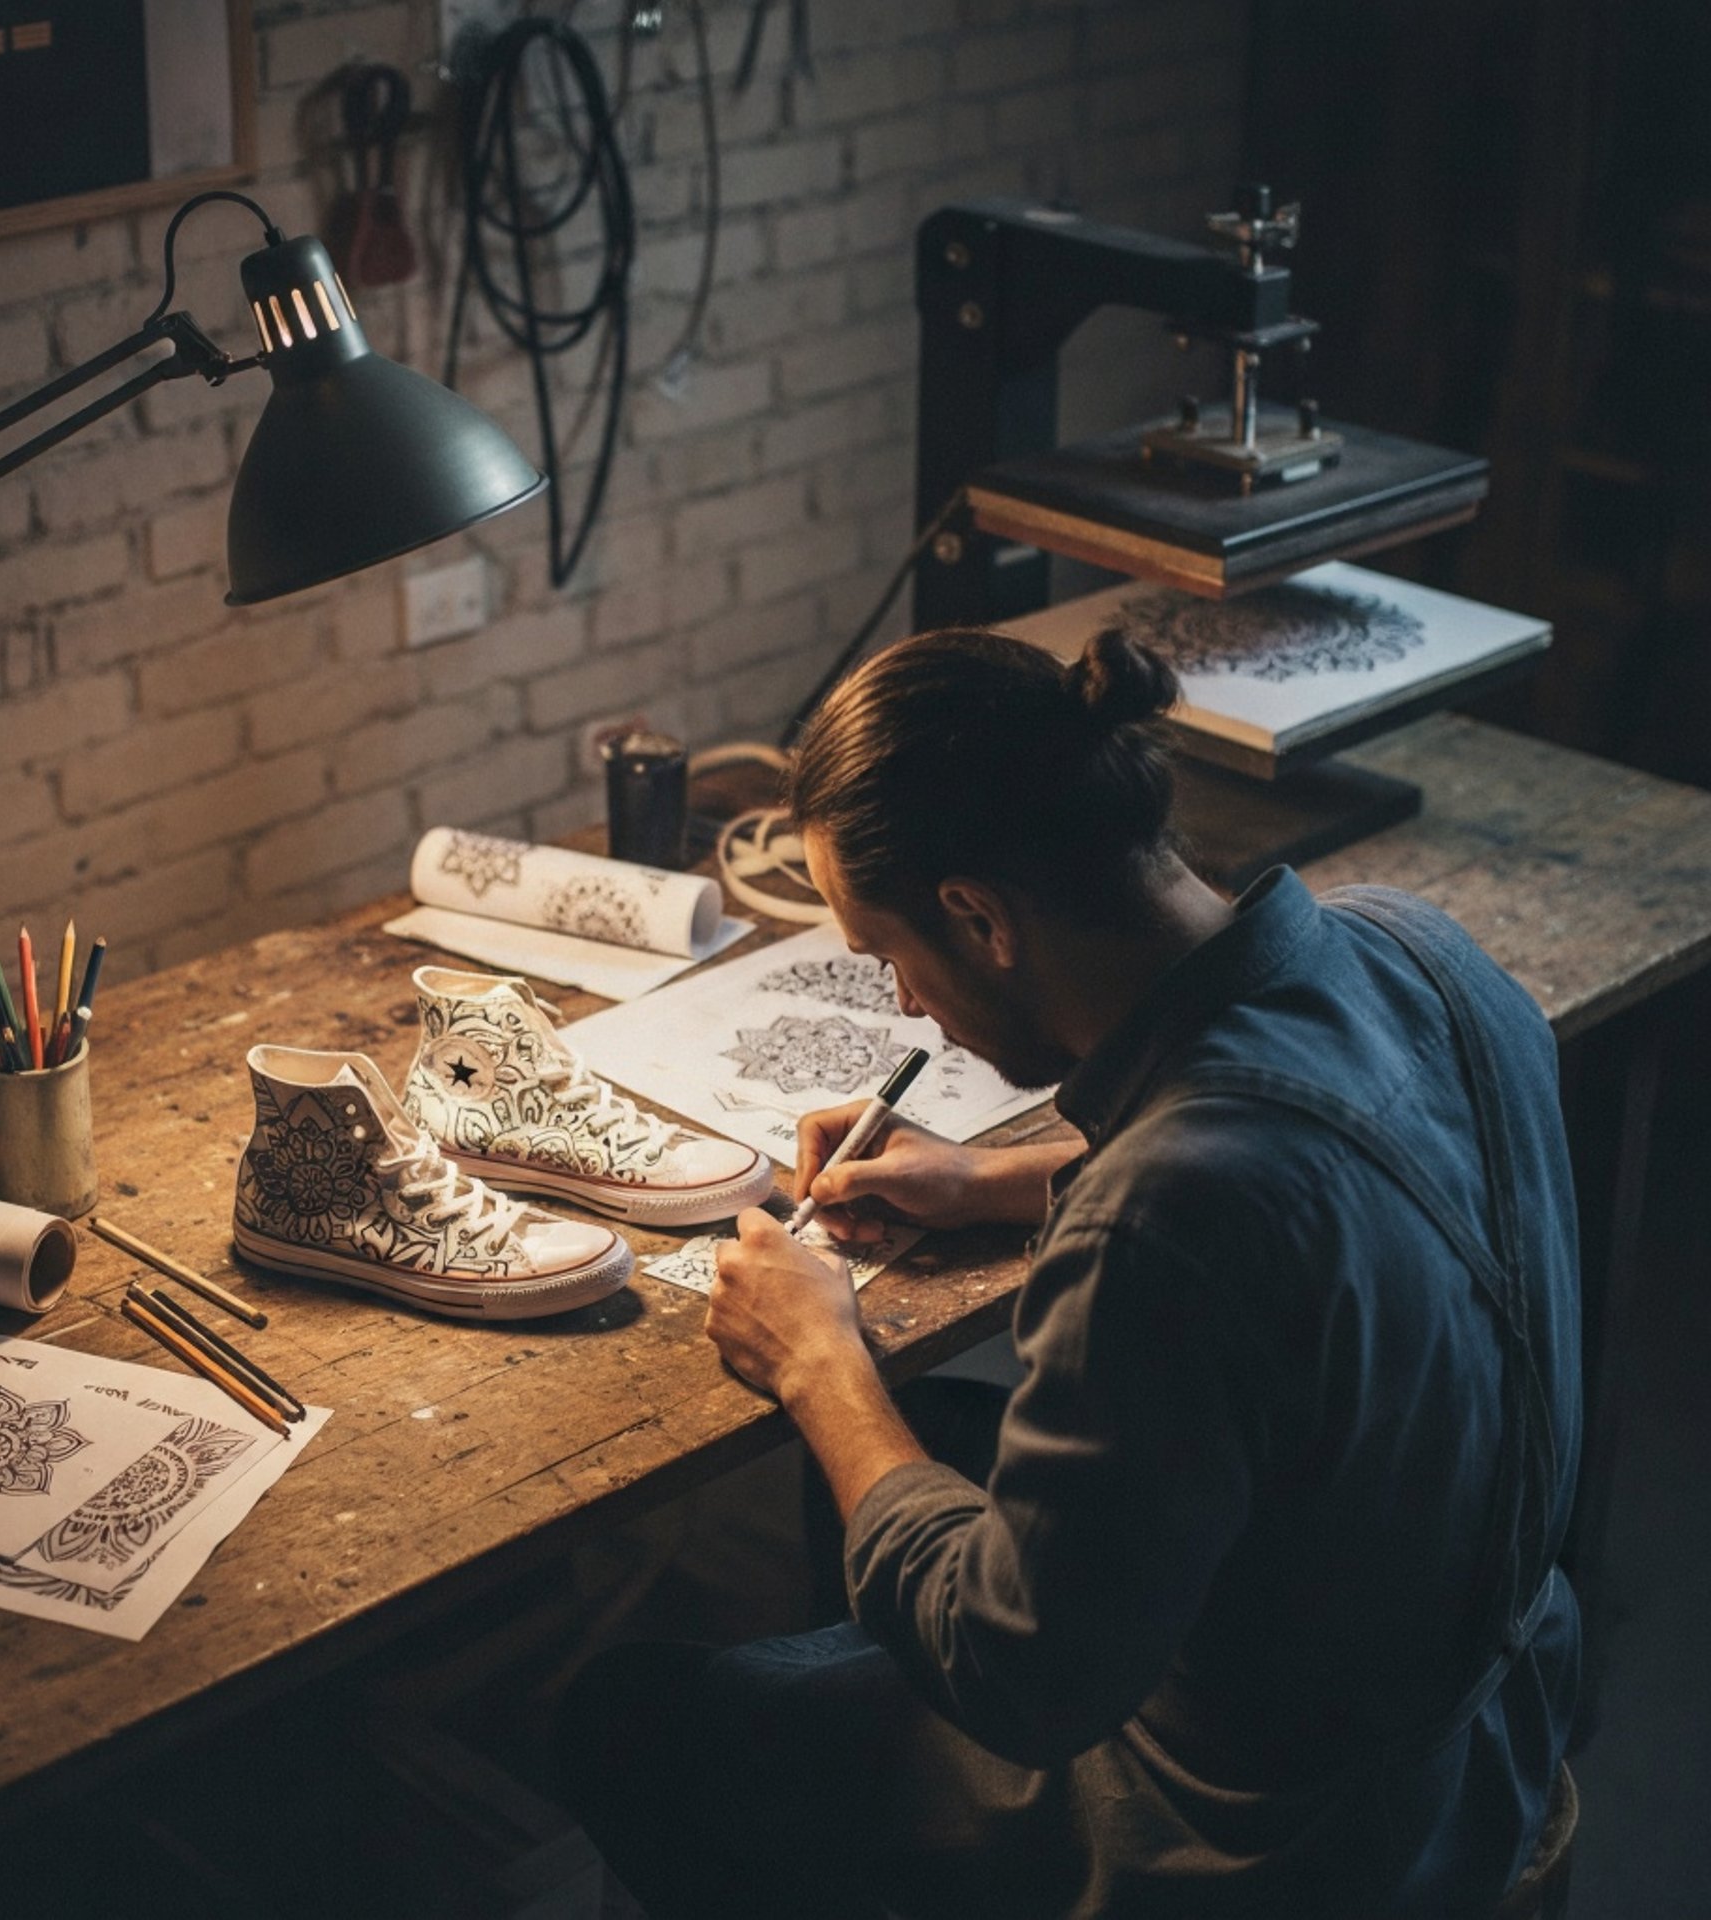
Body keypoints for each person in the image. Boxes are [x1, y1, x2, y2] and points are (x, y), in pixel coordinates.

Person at [557, 627, 1581, 1918]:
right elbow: (1326, 1171)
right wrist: (1003, 1177)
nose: (910, 1010)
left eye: (889, 957)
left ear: (979, 917)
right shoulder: (1416, 949)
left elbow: (1023, 1682)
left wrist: (822, 1366)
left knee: (631, 1718)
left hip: (1267, 1827)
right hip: (1480, 1678)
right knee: (933, 1442)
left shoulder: (1168, 1217)